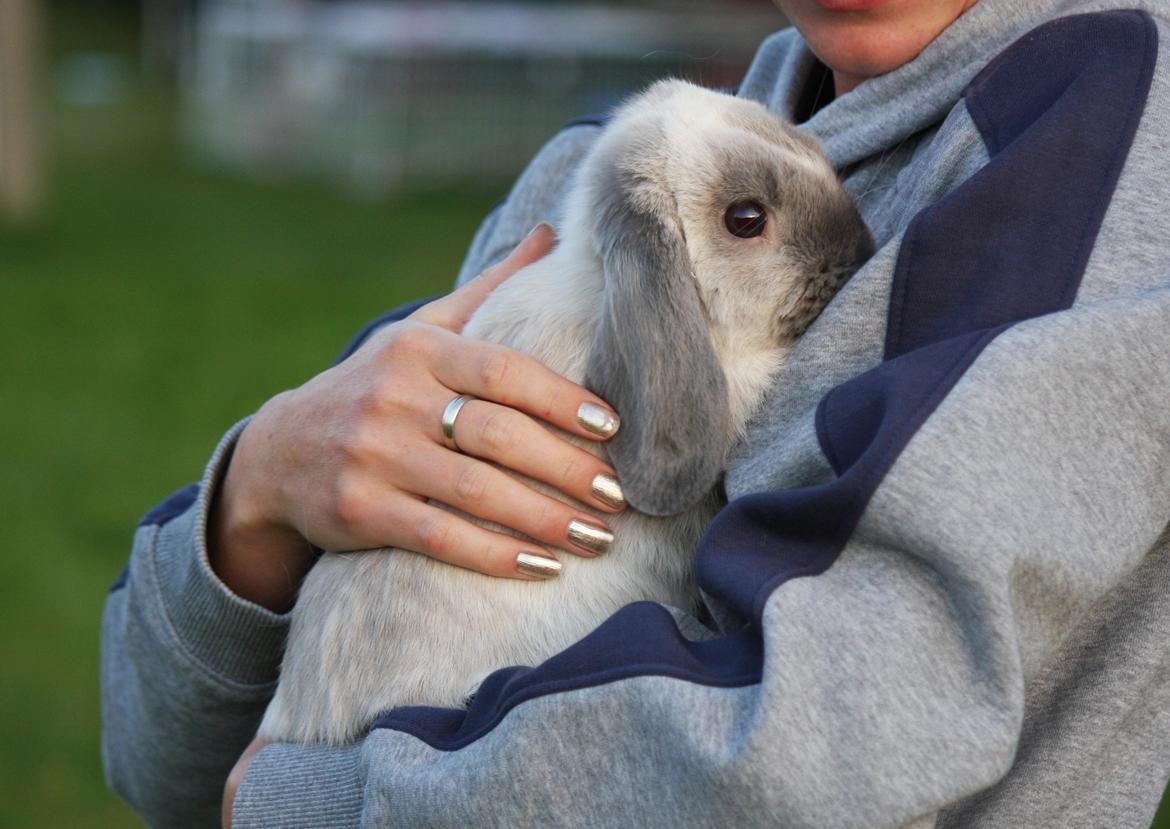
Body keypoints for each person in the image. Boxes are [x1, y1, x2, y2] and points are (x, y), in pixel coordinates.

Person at [101, 0, 1170, 825]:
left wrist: (331, 806)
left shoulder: (1108, 125)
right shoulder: (597, 171)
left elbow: (823, 753)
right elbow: (172, 770)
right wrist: (257, 502)